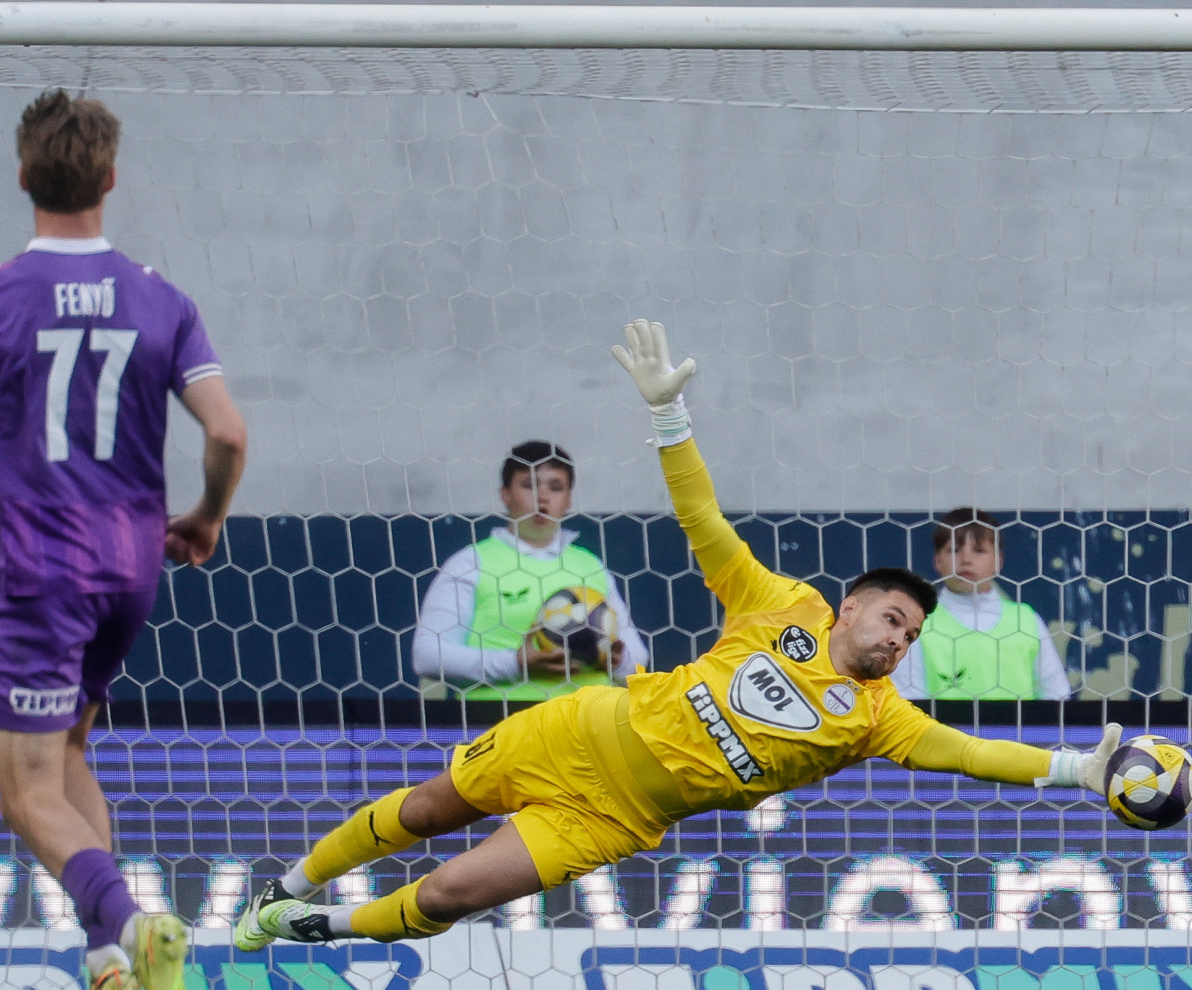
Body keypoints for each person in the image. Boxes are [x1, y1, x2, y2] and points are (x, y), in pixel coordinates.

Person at [233, 320, 1121, 948]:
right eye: (894, 618)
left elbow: (969, 753)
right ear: (850, 606)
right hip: (577, 730)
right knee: (428, 810)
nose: (900, 640)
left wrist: (1076, 770)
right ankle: (292, 883)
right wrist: (668, 415)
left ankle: (313, 924)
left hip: (617, 816)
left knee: (452, 893)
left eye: (913, 633)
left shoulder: (878, 718)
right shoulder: (781, 605)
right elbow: (704, 521)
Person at [0, 90, 249, 990]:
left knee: (22, 793)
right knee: (66, 760)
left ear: (24, 176)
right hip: (130, 561)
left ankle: (134, 926)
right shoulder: (162, 298)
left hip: (37, 564)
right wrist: (209, 516)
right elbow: (227, 430)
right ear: (111, 179)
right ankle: (108, 971)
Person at [411, 439, 646, 701]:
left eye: (556, 487)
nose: (543, 497)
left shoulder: (590, 565)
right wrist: (516, 663)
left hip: (586, 726)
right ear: (505, 494)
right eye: (529, 485)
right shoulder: (471, 563)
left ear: (568, 499)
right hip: (498, 723)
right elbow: (427, 656)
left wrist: (617, 661)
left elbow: (638, 662)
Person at [890, 507, 1072, 700]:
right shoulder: (919, 623)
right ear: (937, 561)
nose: (966, 560)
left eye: (979, 551)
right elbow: (907, 701)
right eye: (954, 550)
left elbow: (1056, 695)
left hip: (1019, 731)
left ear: (998, 561)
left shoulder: (1026, 620)